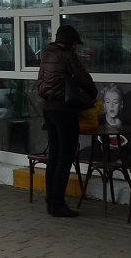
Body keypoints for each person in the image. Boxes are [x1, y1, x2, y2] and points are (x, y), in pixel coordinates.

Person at [36, 24, 96, 218]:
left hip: (48, 108)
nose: (76, 47)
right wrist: (92, 95)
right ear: (70, 43)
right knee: (65, 157)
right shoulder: (67, 56)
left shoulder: (47, 55)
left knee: (54, 156)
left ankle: (50, 200)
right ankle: (58, 204)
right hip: (64, 110)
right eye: (75, 44)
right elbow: (84, 79)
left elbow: (41, 82)